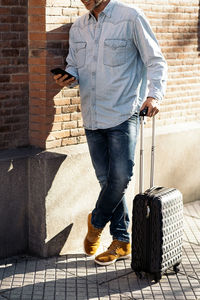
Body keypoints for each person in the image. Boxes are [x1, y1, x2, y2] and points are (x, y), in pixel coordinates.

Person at [53, 0, 167, 266]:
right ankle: (122, 241)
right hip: (91, 115)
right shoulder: (78, 27)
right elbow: (74, 65)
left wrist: (154, 96)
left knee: (121, 177)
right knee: (107, 182)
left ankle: (96, 222)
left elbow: (155, 60)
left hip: (123, 112)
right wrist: (67, 76)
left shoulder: (130, 17)